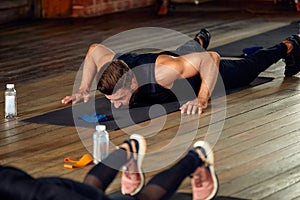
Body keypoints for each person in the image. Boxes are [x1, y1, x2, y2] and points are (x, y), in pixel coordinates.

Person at [61, 29, 300, 115]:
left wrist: (201, 98)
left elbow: (211, 59)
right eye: (112, 101)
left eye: (120, 98)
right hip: (176, 61)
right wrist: (83, 89)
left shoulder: (161, 73)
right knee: (181, 57)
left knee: (248, 70)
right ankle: (198, 40)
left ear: (132, 82)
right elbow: (94, 50)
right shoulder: (115, 65)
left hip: (202, 76)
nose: (116, 106)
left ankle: (288, 45)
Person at [0, 134, 218, 200]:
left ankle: (196, 158)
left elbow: (44, 192)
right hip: (50, 191)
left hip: (55, 193)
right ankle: (127, 150)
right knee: (91, 188)